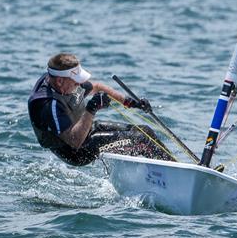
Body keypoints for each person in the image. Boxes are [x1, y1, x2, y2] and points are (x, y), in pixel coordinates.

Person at [28, 52, 175, 166]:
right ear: (60, 81)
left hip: (86, 131)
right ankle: (175, 176)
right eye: (76, 82)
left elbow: (98, 87)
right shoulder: (49, 105)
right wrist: (92, 108)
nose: (80, 85)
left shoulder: (64, 83)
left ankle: (170, 167)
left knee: (145, 131)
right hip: (77, 151)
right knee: (142, 140)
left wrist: (130, 102)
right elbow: (74, 141)